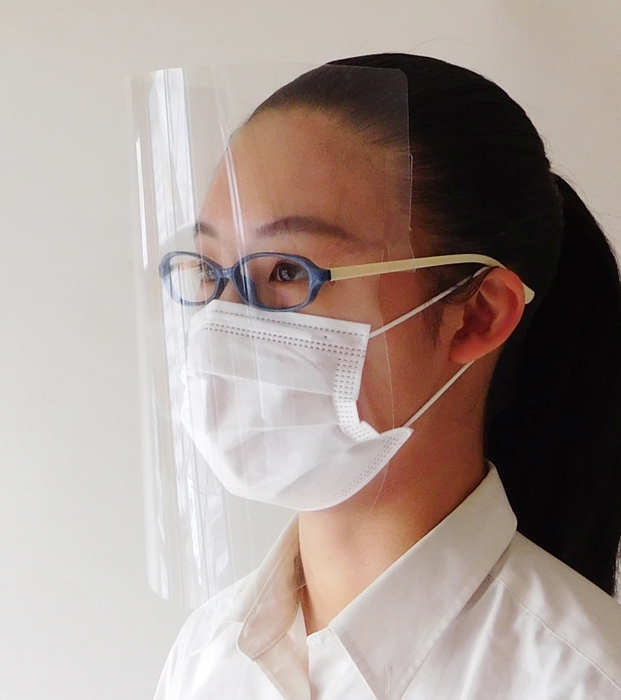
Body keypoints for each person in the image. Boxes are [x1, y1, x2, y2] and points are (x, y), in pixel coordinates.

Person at [153, 53, 621, 699]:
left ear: (476, 316)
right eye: (207, 270)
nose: (222, 322)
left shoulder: (583, 680)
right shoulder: (207, 656)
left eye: (287, 270)